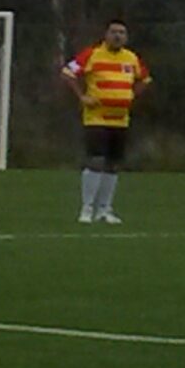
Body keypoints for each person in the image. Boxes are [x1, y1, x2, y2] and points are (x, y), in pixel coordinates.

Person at [63, 18, 150, 224]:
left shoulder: (131, 58)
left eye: (122, 33)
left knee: (113, 164)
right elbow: (67, 73)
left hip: (120, 120)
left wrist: (131, 96)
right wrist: (82, 96)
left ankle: (104, 209)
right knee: (96, 161)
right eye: (114, 32)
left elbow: (145, 80)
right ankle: (87, 208)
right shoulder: (92, 54)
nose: (118, 36)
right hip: (96, 118)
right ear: (106, 34)